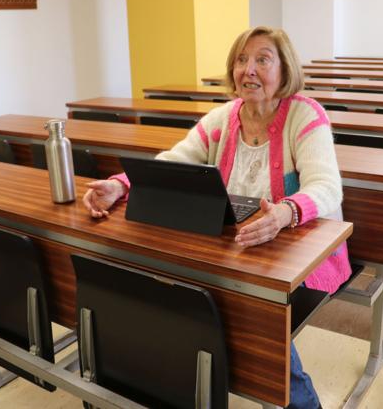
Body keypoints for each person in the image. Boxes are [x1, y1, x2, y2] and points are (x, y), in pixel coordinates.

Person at [83, 26, 350, 409]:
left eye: (262, 59)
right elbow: (175, 161)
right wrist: (121, 185)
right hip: (238, 250)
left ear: (284, 68)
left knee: (258, 321)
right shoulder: (224, 118)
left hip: (300, 254)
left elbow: (327, 188)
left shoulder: (306, 116)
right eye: (242, 60)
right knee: (179, 295)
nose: (249, 70)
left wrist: (286, 212)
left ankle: (298, 402)